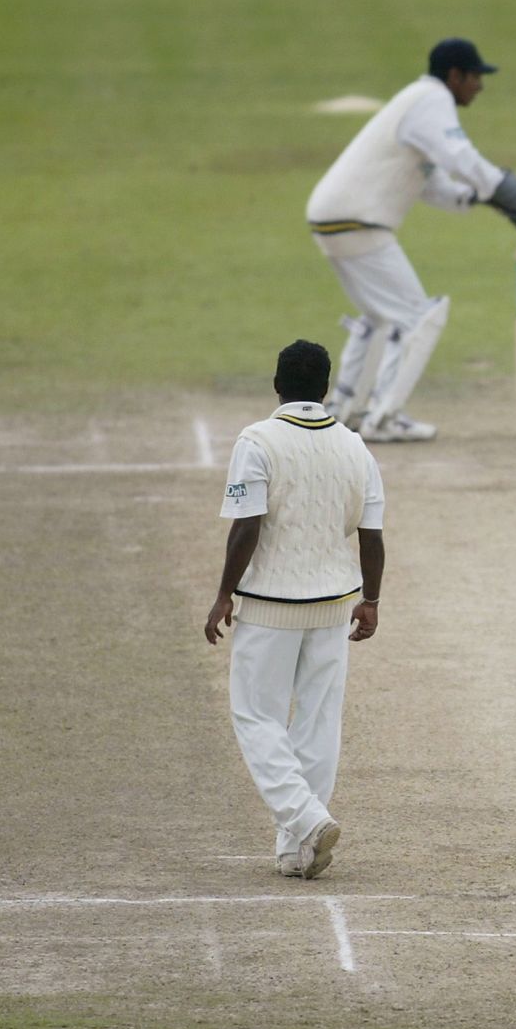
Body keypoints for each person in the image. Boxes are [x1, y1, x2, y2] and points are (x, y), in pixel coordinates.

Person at [306, 38, 516, 442]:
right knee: (419, 317)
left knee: (380, 318)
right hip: (357, 221)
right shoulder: (431, 99)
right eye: (475, 77)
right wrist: (510, 192)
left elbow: (433, 184)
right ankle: (384, 418)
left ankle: (346, 410)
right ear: (455, 76)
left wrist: (488, 197)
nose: (479, 86)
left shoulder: (417, 102)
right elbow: (461, 157)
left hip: (334, 217)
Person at [204, 340, 385, 879]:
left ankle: (306, 820)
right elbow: (372, 536)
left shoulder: (257, 440)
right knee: (318, 721)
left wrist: (222, 594)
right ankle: (295, 849)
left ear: (277, 384)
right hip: (335, 604)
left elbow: (247, 526)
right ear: (325, 387)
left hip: (270, 604)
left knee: (256, 716)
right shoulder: (356, 446)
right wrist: (371, 600)